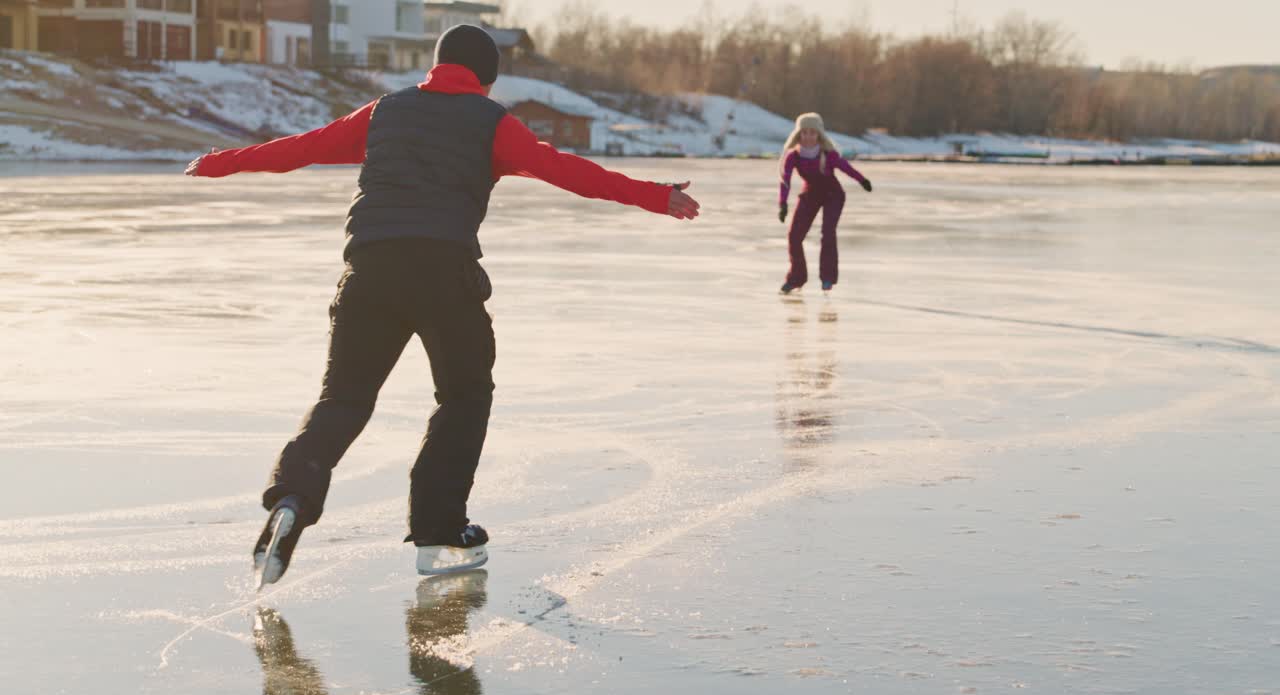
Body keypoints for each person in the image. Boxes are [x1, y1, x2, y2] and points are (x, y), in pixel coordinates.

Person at [184, 25, 700, 586]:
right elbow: (566, 171)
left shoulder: (386, 111)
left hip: (369, 272)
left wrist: (220, 161)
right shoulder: (493, 122)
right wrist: (654, 194)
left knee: (344, 399)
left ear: (436, 65)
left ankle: (293, 496)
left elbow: (300, 149)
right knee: (464, 394)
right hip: (443, 276)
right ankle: (439, 529)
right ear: (488, 75)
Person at [777, 112, 871, 294]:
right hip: (810, 193)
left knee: (828, 232)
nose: (808, 136)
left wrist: (862, 180)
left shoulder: (828, 154)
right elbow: (785, 180)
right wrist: (783, 204)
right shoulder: (793, 156)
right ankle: (797, 277)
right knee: (794, 236)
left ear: (819, 134)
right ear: (798, 134)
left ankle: (827, 277)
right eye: (804, 132)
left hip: (833, 194)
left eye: (812, 132)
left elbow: (846, 167)